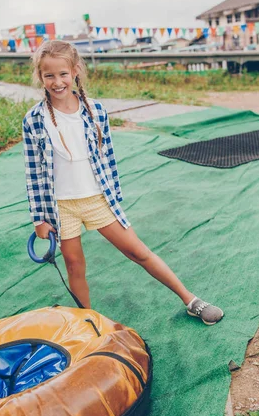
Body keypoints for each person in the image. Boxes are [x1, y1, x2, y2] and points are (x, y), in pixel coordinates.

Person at [22, 40, 223, 325]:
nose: (57, 82)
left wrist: (113, 200)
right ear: (40, 77)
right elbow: (33, 172)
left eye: (63, 74)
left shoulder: (95, 111)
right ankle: (88, 324)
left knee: (138, 251)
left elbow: (109, 161)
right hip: (60, 207)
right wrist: (39, 219)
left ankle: (190, 299)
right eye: (49, 75)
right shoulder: (34, 119)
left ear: (75, 71)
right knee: (74, 265)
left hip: (96, 199)